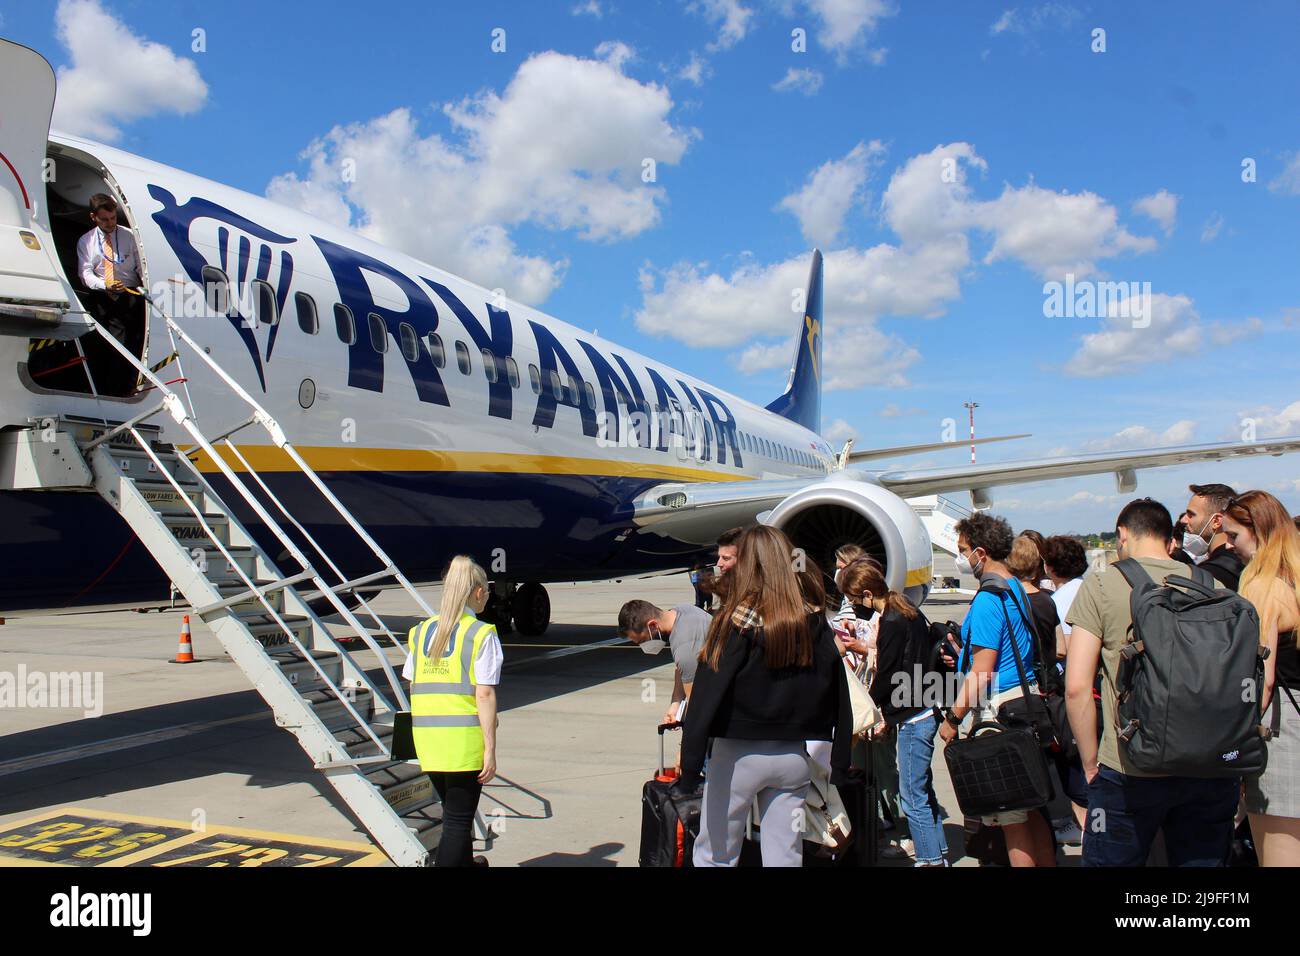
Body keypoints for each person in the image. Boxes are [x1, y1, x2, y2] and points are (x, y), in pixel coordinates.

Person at [1064, 498, 1240, 867]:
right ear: (1170, 539)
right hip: (1209, 762)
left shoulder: (1101, 584)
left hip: (1130, 763)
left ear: (1123, 534)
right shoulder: (1214, 585)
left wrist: (1091, 762)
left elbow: (1077, 686)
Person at [676, 525, 853, 867]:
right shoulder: (812, 622)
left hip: (737, 756)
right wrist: (841, 762)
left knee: (716, 855)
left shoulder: (736, 623)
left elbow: (705, 698)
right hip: (792, 758)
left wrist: (689, 766)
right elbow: (840, 694)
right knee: (784, 855)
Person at [938, 512, 1056, 867]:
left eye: (962, 551)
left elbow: (983, 671)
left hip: (997, 712)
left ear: (980, 551)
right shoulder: (1015, 588)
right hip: (1023, 700)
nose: (961, 558)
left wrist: (952, 718)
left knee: (1010, 819)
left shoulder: (988, 598)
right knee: (1030, 811)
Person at [840, 559, 948, 866]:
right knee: (923, 792)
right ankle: (938, 852)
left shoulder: (890, 621)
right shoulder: (907, 611)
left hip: (912, 717)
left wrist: (871, 706)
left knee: (912, 795)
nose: (854, 604)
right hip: (923, 707)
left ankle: (929, 859)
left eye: (854, 597)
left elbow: (887, 673)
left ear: (866, 592)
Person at [403, 556, 502, 867]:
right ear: (475, 592)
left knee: (454, 814)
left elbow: (412, 683)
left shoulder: (420, 631)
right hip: (462, 742)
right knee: (457, 823)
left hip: (429, 739)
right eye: (487, 590)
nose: (488, 595)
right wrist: (490, 748)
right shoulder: (480, 633)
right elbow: (484, 694)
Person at [1225, 491, 1300, 865]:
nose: (1228, 544)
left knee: (1279, 855)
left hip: (1281, 734)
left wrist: (1235, 745)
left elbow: (1262, 680)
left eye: (1234, 535)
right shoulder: (1295, 578)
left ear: (1258, 531)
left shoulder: (1262, 586)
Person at [75, 193, 145, 395]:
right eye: (104, 219)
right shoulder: (86, 241)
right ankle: (103, 388)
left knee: (130, 342)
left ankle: (125, 387)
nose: (110, 223)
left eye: (113, 218)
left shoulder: (129, 236)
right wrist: (104, 284)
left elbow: (141, 266)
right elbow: (85, 273)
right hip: (102, 295)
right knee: (102, 346)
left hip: (129, 294)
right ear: (93, 217)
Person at [617, 598, 711, 725]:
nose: (643, 647)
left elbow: (697, 706)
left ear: (652, 625)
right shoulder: (683, 611)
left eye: (642, 641)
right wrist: (675, 704)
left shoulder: (685, 646)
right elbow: (682, 670)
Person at [1183, 482, 1244, 590]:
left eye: (1191, 514)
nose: (1184, 520)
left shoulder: (1209, 575)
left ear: (1216, 521)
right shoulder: (1246, 562)